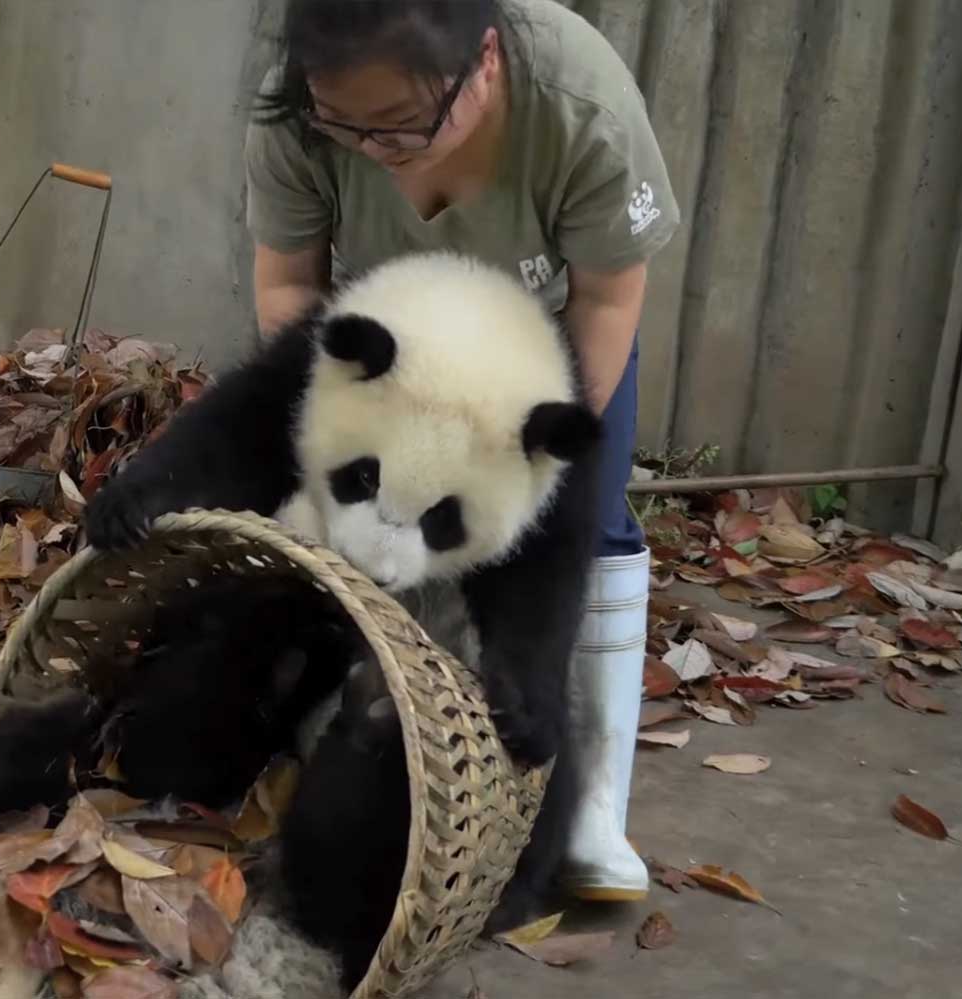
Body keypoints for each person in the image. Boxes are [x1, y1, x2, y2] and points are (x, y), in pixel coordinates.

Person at [245, 0, 679, 902]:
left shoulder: (581, 108)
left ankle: (591, 804)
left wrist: (535, 468)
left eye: (402, 126)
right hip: (384, 350)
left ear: (484, 63)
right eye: (346, 126)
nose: (374, 149)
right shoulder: (293, 112)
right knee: (323, 519)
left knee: (578, 529)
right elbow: (291, 286)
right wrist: (344, 426)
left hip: (546, 351)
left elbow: (606, 298)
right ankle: (341, 739)